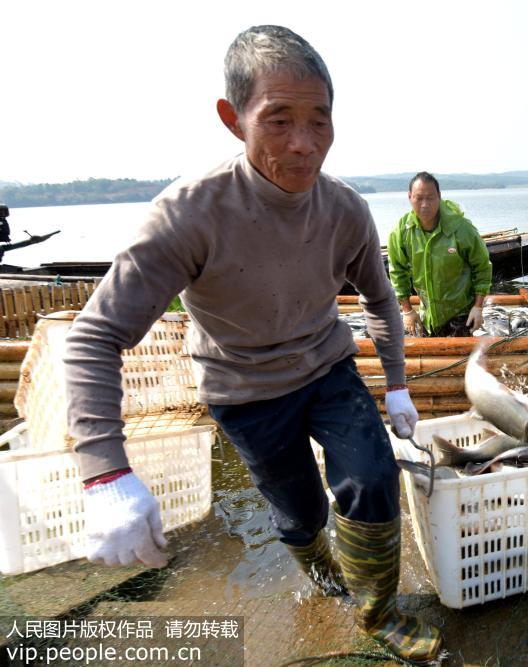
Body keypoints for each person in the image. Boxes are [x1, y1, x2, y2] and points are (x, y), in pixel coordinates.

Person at [62, 26, 441, 663]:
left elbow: (380, 300)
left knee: (373, 479)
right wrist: (106, 474)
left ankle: (378, 613)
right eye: (279, 120)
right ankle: (326, 580)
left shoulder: (345, 210)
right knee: (298, 513)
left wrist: (398, 383)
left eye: (320, 121)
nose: (303, 144)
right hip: (243, 391)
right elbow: (94, 337)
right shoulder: (189, 214)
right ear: (233, 120)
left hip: (325, 367)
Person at [387, 172, 492, 337]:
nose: (424, 204)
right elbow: (397, 271)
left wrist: (478, 307)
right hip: (427, 314)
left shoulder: (462, 229)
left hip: (460, 313)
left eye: (430, 198)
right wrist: (407, 310)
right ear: (409, 197)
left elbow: (482, 267)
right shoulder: (402, 230)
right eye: (419, 198)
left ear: (439, 197)